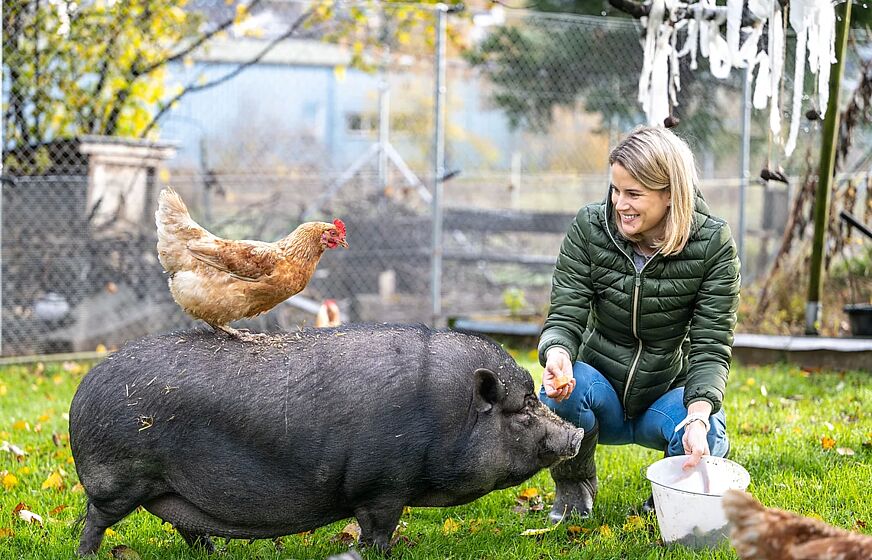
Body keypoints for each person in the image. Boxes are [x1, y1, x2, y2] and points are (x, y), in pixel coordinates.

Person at [537, 125, 740, 523]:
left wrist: (698, 414)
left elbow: (710, 344)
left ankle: (665, 502)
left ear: (669, 194)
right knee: (560, 395)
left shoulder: (712, 244)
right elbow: (566, 312)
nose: (619, 204)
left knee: (709, 428)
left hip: (663, 395)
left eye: (633, 194)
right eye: (615, 190)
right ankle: (575, 485)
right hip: (600, 390)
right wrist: (558, 353)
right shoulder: (590, 228)